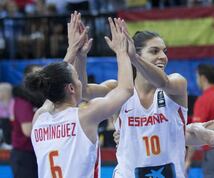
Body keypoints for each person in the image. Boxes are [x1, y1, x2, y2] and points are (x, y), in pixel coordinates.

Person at [28, 13, 134, 178]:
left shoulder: (39, 118)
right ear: (71, 88)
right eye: (78, 79)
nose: (81, 83)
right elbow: (127, 89)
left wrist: (76, 52)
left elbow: (53, 81)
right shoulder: (86, 115)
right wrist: (122, 51)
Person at [78, 29, 188, 177]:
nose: (163, 57)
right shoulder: (118, 89)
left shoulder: (176, 83)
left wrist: (134, 58)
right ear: (136, 53)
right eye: (154, 51)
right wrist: (80, 55)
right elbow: (83, 92)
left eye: (164, 51)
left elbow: (162, 81)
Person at [10, 64, 43, 178]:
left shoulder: (40, 100)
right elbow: (28, 130)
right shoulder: (23, 101)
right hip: (24, 155)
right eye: (37, 75)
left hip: (36, 153)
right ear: (27, 79)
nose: (41, 79)